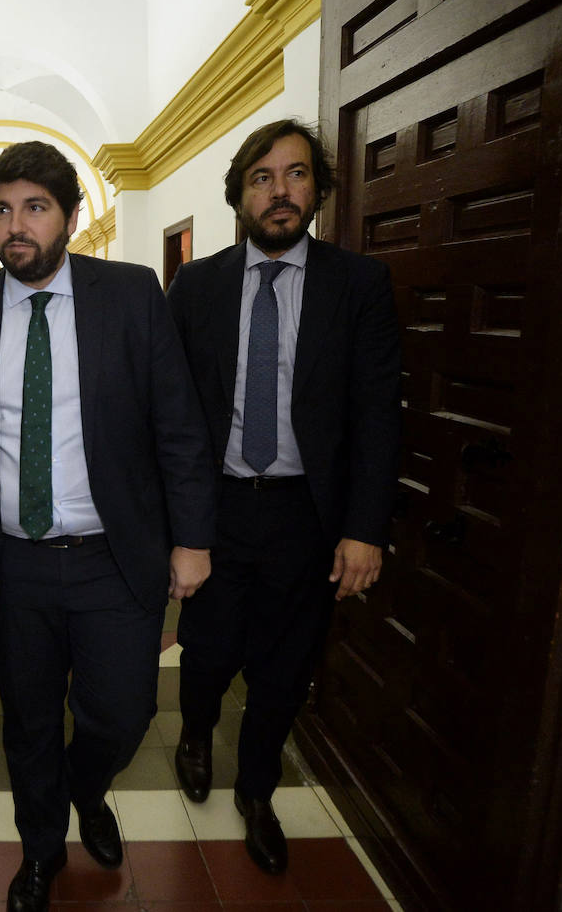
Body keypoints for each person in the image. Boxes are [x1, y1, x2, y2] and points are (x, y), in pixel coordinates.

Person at [0, 142, 215, 912]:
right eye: (1, 210)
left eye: (35, 207)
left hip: (113, 556)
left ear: (71, 217)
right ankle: (42, 848)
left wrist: (192, 539)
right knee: (25, 722)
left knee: (123, 712)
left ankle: (86, 789)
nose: (14, 226)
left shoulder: (130, 293)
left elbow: (178, 424)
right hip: (11, 564)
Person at [167, 118, 401, 875]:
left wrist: (365, 527)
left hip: (307, 515)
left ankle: (257, 790)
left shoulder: (358, 285)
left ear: (318, 190)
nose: (280, 192)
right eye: (262, 178)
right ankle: (195, 732)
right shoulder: (197, 286)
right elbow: (170, 412)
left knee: (284, 666)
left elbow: (376, 414)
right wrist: (174, 524)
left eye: (296, 175)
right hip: (219, 509)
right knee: (206, 652)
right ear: (240, 195)